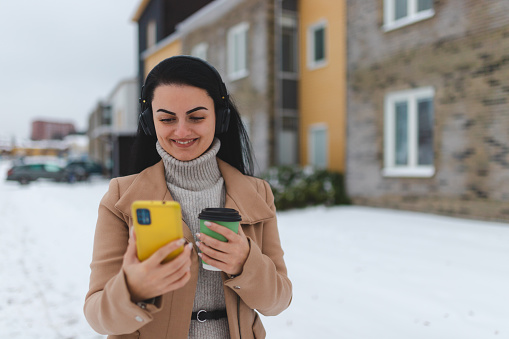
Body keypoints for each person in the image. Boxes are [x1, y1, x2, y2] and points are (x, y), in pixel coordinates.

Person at [84, 55, 292, 339]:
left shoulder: (257, 194)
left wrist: (246, 262)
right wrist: (134, 288)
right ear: (149, 123)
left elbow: (278, 302)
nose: (182, 131)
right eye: (167, 119)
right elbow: (98, 318)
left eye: (196, 117)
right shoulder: (121, 198)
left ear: (220, 117)